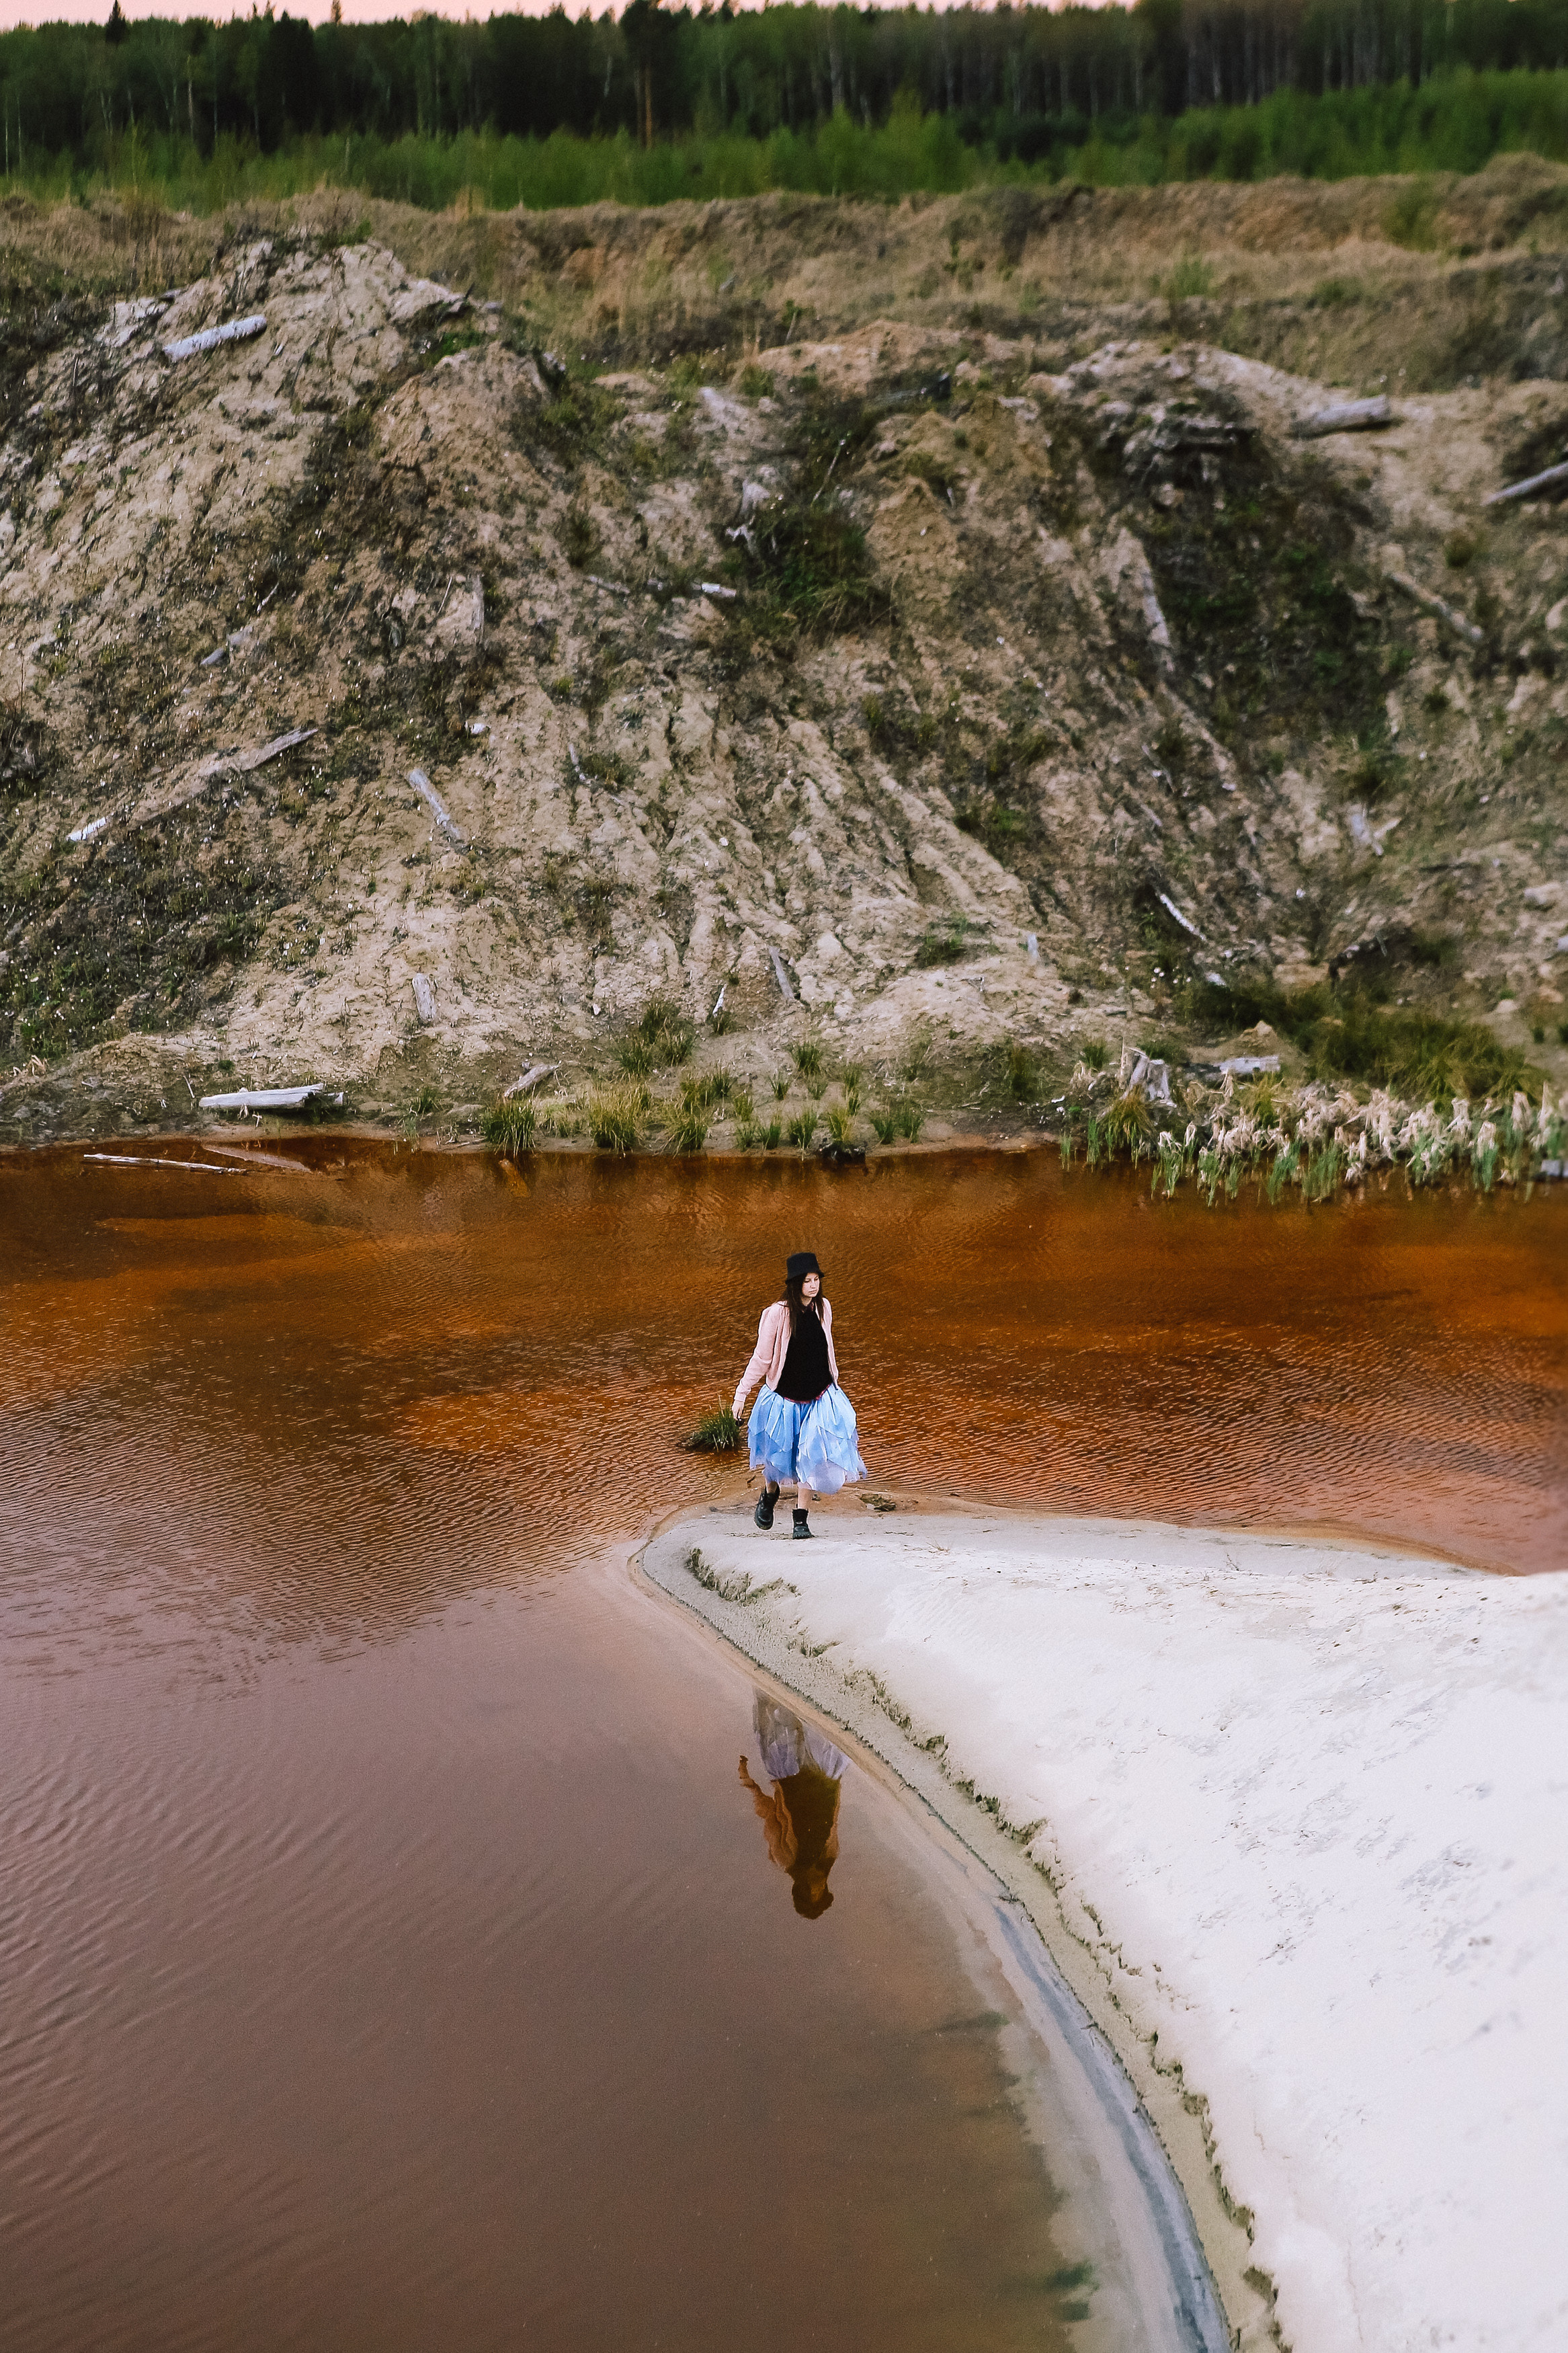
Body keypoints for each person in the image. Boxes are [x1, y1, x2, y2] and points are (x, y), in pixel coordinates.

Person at [732, 1248, 866, 1540]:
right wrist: (741, 1394)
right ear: (795, 1284)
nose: (814, 1286)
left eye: (816, 1279)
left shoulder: (824, 1308)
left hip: (820, 1396)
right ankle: (769, 1495)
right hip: (784, 1398)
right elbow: (762, 1359)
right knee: (776, 1459)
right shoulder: (776, 1314)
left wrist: (835, 1382)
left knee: (812, 1457)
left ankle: (800, 1521)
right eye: (807, 1281)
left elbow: (827, 1348)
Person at [738, 1693, 850, 1919]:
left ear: (801, 1888)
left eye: (813, 1892)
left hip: (790, 1775)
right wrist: (836, 1782)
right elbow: (834, 1818)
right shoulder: (830, 1856)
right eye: (821, 1891)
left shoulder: (785, 1858)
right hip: (823, 1777)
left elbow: (770, 1816)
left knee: (779, 1701)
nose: (819, 1887)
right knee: (823, 1712)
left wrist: (750, 1785)